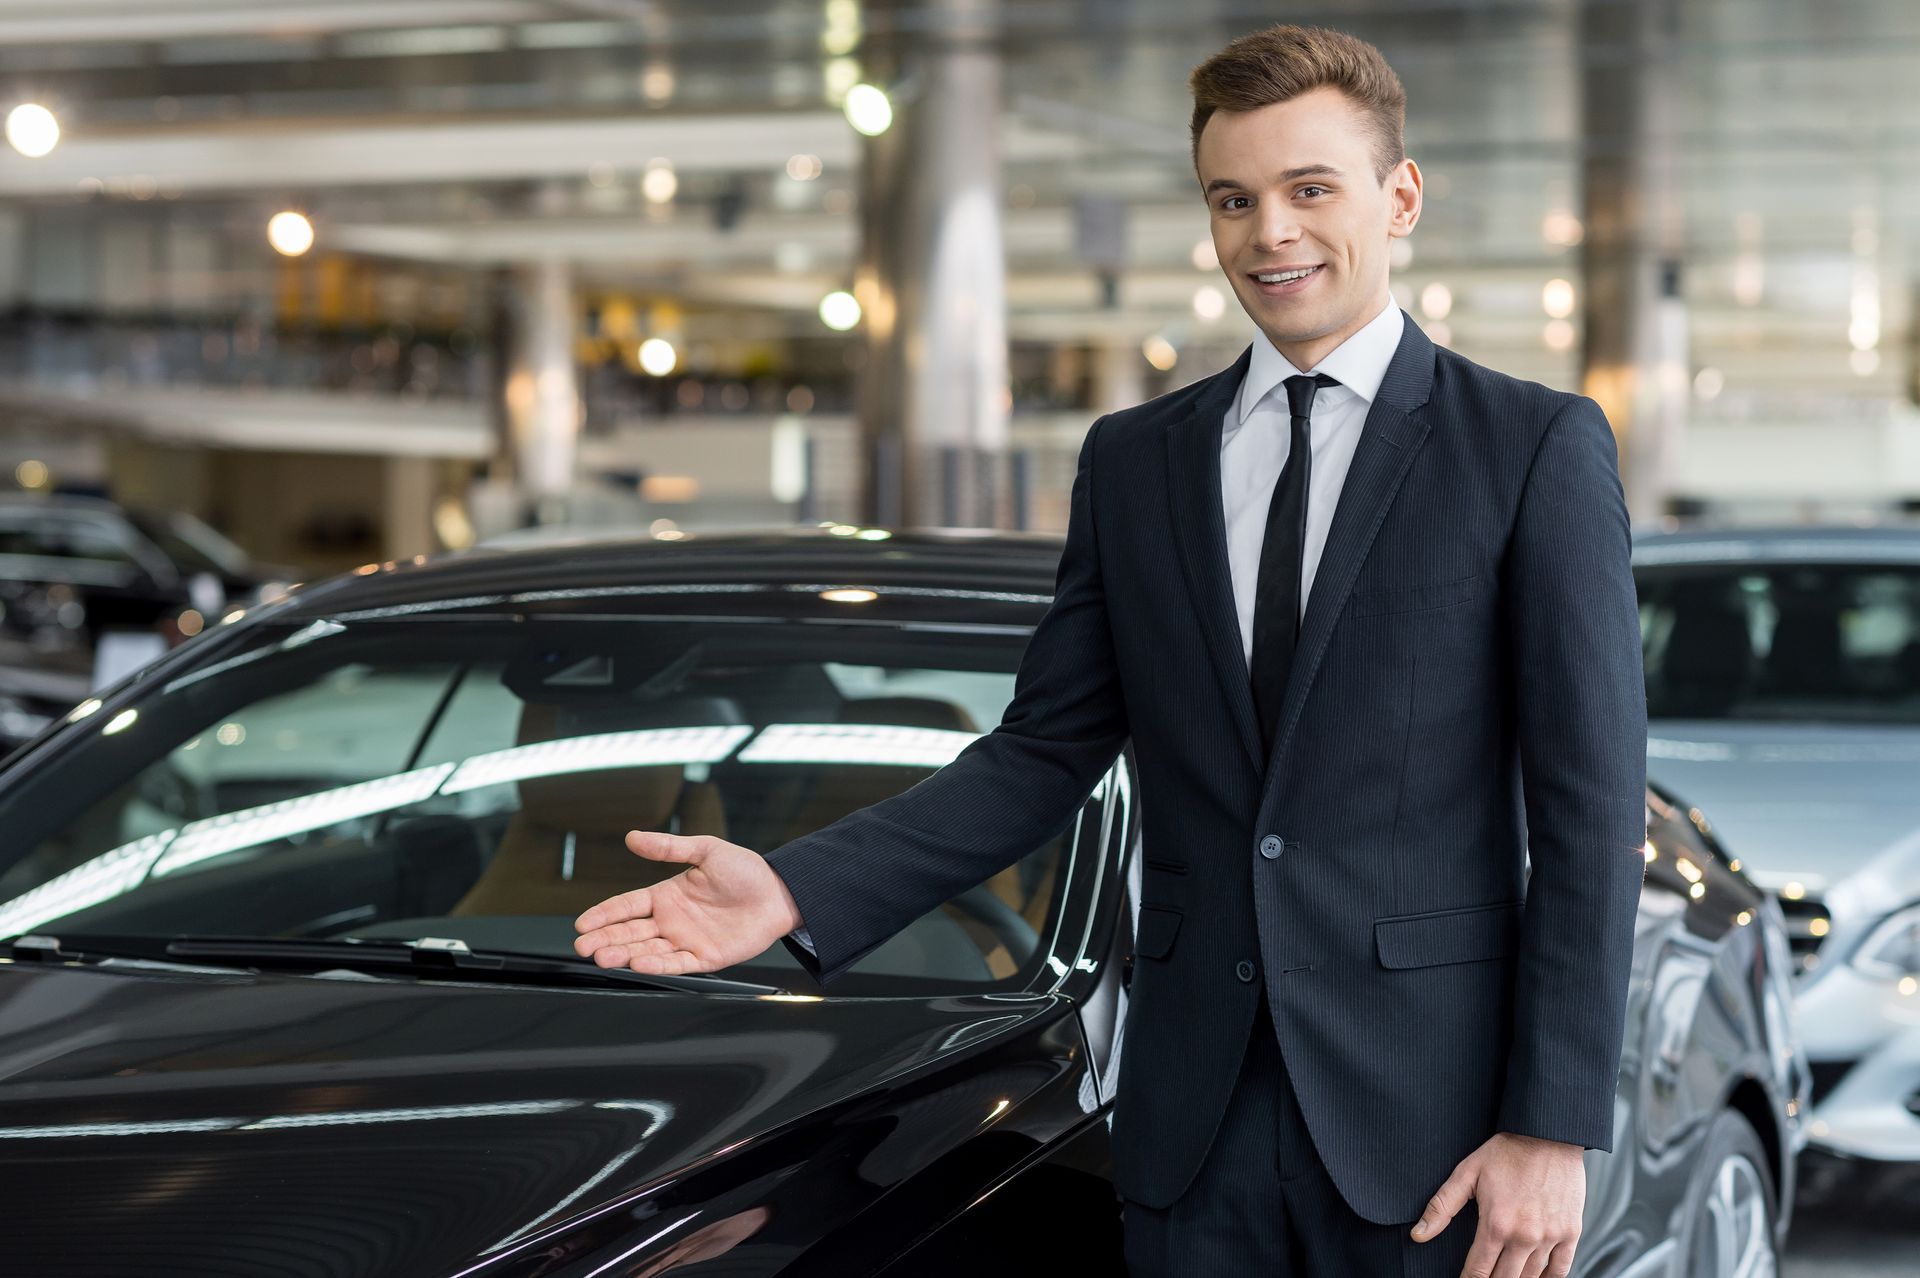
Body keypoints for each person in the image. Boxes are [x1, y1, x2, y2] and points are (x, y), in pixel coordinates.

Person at [575, 22, 1646, 1278]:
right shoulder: (1137, 463)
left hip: (1438, 1127)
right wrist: (800, 888)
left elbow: (1587, 806)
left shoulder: (1530, 448)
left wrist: (1551, 1125)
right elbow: (1041, 752)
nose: (1271, 234)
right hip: (1195, 1126)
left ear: (1399, 197)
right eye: (1233, 200)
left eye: (1311, 190)